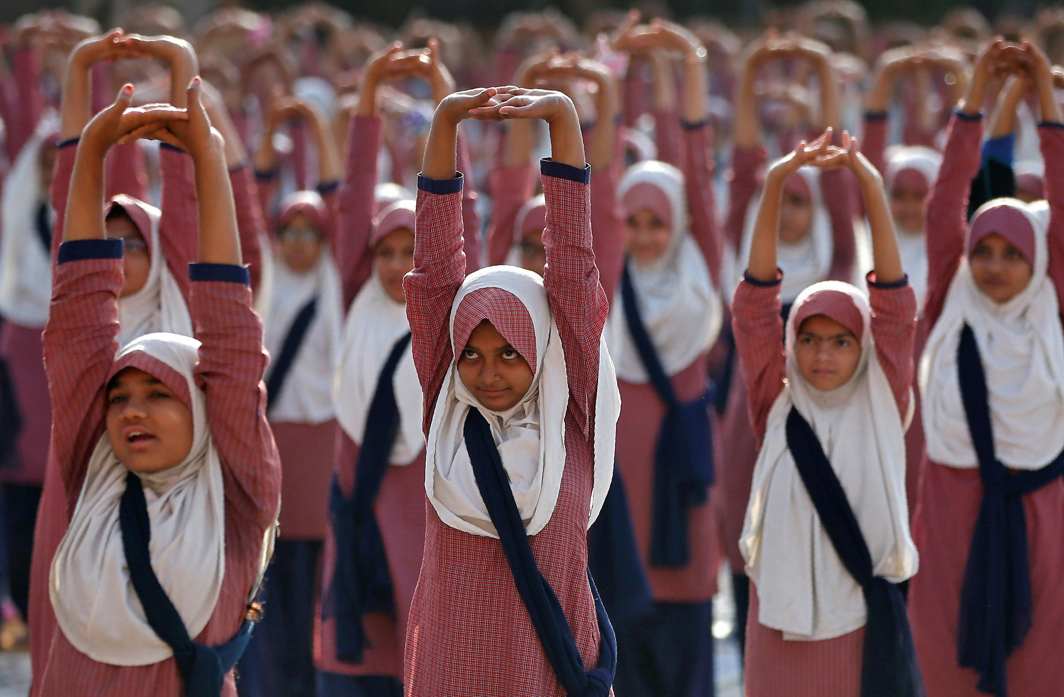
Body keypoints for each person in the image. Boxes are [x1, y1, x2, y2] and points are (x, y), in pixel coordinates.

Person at [38, 77, 280, 696]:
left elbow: (229, 331)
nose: (130, 413)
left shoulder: (238, 491)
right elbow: (79, 312)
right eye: (118, 397)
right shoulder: (91, 464)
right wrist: (91, 151)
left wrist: (207, 158)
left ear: (203, 411)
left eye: (158, 394)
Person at [402, 84, 620, 697]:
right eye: (470, 353)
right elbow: (434, 273)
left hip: (549, 675)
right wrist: (444, 124)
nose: (487, 373)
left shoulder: (571, 417)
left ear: (544, 353)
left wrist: (562, 122)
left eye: (509, 355)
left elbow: (575, 271)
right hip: (454, 671)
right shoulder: (449, 407)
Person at [734, 129, 920, 697]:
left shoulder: (883, 398)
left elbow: (893, 303)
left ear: (863, 348)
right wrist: (773, 184)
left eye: (841, 342)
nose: (821, 355)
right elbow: (753, 303)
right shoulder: (777, 400)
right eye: (810, 339)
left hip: (858, 620)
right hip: (777, 617)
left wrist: (869, 182)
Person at [908, 39, 1064, 697]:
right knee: (945, 670)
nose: (995, 264)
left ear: (1038, 263)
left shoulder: (1051, 308)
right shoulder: (952, 295)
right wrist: (974, 93)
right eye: (985, 250)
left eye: (1012, 253)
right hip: (949, 508)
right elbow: (946, 203)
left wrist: (1046, 104)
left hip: (1042, 514)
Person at [604, 17, 725, 697]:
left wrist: (686, 61)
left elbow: (698, 174)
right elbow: (596, 176)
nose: (647, 235)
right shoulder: (607, 285)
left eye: (658, 221)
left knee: (687, 661)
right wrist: (609, 84)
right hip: (623, 489)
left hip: (681, 487)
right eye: (635, 221)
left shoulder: (698, 270)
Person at [236, 95, 342, 697]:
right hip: (272, 444)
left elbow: (337, 200)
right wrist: (270, 137)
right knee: (268, 578)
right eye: (289, 231)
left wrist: (320, 127)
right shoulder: (264, 286)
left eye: (310, 231)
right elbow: (247, 213)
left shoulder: (338, 290)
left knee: (315, 579)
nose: (299, 242)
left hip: (321, 444)